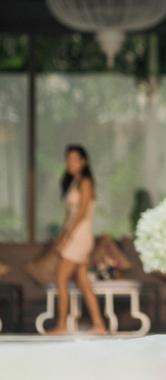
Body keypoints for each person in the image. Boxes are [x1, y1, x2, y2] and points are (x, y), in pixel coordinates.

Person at [47, 144, 107, 336]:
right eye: (68, 159)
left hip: (80, 236)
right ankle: (100, 325)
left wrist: (67, 239)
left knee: (60, 278)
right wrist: (61, 237)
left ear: (84, 162)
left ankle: (62, 325)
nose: (70, 163)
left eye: (74, 159)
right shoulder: (74, 182)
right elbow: (69, 215)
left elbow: (81, 214)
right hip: (74, 234)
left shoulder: (86, 182)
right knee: (82, 282)